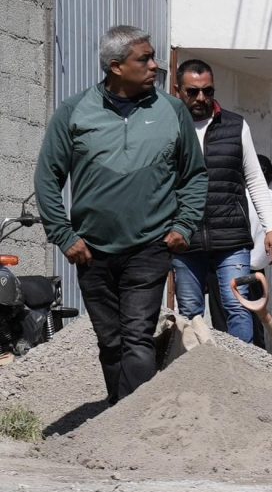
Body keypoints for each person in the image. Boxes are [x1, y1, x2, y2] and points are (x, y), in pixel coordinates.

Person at [33, 26, 203, 404]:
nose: (155, 66)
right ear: (115, 67)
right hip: (92, 250)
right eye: (144, 59)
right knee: (110, 342)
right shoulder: (75, 112)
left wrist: (183, 226)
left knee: (138, 338)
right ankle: (117, 418)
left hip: (150, 246)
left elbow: (194, 175)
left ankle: (137, 425)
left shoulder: (171, 111)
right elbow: (48, 178)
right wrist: (64, 236)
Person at [170, 61, 272, 345]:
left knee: (239, 308)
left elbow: (254, 179)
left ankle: (240, 377)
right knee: (190, 314)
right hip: (185, 239)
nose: (201, 98)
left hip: (231, 238)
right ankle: (198, 377)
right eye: (193, 92)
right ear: (177, 90)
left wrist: (270, 228)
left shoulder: (235, 126)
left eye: (208, 91)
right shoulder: (167, 127)